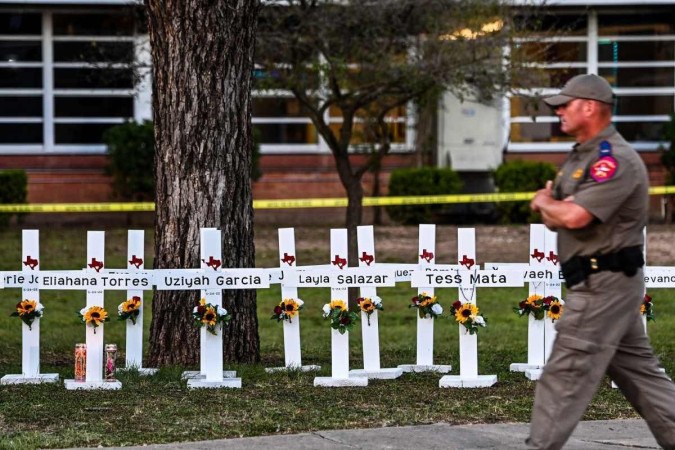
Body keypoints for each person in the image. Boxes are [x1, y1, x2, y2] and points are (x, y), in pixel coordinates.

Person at [528, 73, 675, 450]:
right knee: (641, 377)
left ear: (590, 107)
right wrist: (555, 208)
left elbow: (575, 216)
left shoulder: (615, 160)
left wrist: (546, 203)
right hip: (604, 282)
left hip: (602, 284)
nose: (558, 111)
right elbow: (562, 212)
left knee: (565, 375)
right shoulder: (584, 155)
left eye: (565, 104)